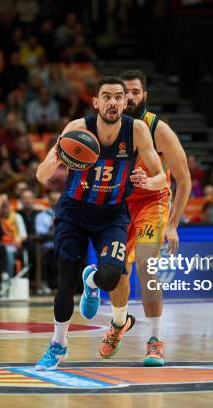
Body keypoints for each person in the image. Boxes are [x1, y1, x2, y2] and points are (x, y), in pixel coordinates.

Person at [34, 76, 167, 370]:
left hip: (112, 213)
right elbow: (41, 177)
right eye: (106, 96)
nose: (113, 102)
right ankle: (58, 345)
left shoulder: (138, 131)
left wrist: (147, 180)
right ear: (96, 102)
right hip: (74, 212)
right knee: (65, 283)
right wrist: (55, 157)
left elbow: (161, 179)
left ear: (125, 102)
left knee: (111, 277)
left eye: (118, 96)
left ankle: (91, 281)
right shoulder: (77, 130)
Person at [103, 70, 191, 366]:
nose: (127, 98)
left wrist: (173, 224)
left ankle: (155, 340)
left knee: (145, 265)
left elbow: (183, 179)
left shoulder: (158, 129)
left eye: (134, 92)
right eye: (122, 92)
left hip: (152, 203)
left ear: (144, 96)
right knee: (114, 274)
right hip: (119, 206)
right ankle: (118, 324)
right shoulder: (106, 127)